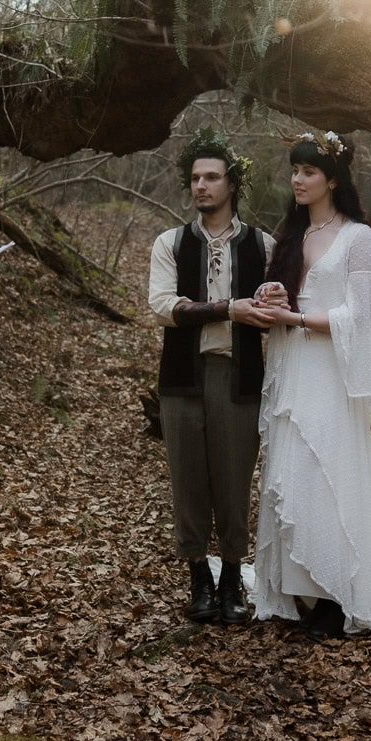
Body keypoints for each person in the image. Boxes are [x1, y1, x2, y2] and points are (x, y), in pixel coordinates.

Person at [249, 131, 371, 640]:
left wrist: (297, 318)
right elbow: (288, 296)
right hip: (292, 368)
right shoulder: (293, 233)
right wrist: (272, 293)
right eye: (294, 171)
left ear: (334, 179)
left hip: (330, 371)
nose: (298, 180)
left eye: (309, 172)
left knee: (325, 473)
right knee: (292, 470)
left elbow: (362, 316)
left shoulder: (357, 237)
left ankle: (333, 596)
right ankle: (297, 588)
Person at [147, 130, 275, 625]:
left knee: (234, 479)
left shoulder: (262, 244)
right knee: (188, 480)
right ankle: (198, 576)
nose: (201, 186)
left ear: (232, 183)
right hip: (182, 376)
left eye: (212, 177)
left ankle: (231, 580)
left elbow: (280, 306)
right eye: (195, 178)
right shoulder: (171, 243)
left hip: (240, 376)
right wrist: (227, 308)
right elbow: (161, 306)